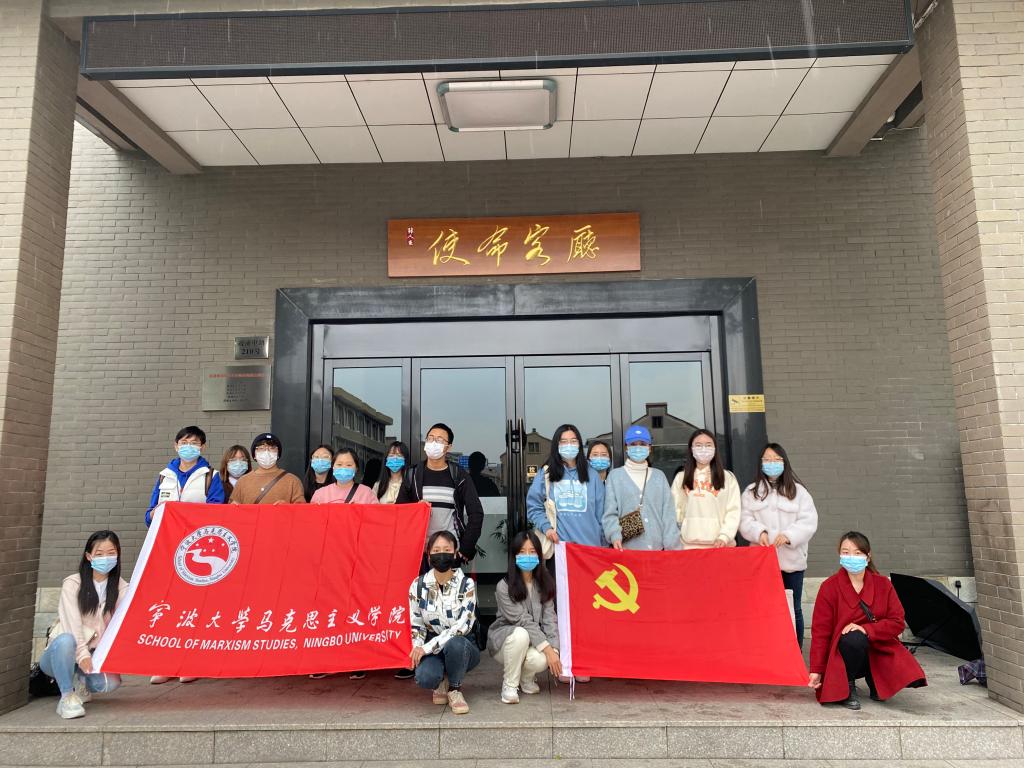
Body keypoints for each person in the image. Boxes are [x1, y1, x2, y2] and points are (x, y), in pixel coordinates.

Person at [809, 532, 926, 710]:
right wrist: (816, 669)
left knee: (859, 635)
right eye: (845, 552)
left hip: (877, 649)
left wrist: (867, 629)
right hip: (845, 652)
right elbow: (820, 632)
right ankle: (848, 685)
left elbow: (897, 622)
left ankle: (875, 679)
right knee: (853, 638)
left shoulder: (883, 584)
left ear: (868, 556)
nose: (851, 557)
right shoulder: (829, 587)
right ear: (839, 555)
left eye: (857, 553)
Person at [739, 442, 819, 647]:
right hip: (763, 563)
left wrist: (789, 535)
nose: (772, 463)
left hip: (792, 563)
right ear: (761, 463)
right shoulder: (751, 492)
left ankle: (796, 652)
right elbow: (744, 520)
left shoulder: (799, 492)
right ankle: (770, 650)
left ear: (784, 462)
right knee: (764, 608)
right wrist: (759, 532)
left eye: (776, 459)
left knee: (794, 609)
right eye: (767, 459)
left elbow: (809, 522)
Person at [40, 530, 127, 718]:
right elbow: (72, 624)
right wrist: (82, 655)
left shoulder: (121, 588)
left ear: (118, 554)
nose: (106, 558)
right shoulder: (73, 584)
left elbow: (125, 623)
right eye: (99, 554)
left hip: (93, 654)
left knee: (111, 683)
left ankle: (79, 681)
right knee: (66, 640)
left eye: (111, 553)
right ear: (89, 556)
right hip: (60, 655)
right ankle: (66, 697)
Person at [408, 531, 479, 715]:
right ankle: (440, 680)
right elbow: (416, 622)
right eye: (436, 550)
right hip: (432, 644)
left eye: (447, 550)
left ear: (455, 554)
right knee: (425, 677)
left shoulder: (466, 584)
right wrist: (417, 648)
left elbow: (462, 626)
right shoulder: (418, 585)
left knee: (456, 643)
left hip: (462, 645)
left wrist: (427, 648)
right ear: (429, 554)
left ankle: (455, 688)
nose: (441, 554)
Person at [396, 423, 484, 569]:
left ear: (448, 447)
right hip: (420, 553)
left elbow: (476, 513)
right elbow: (399, 512)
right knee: (421, 585)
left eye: (439, 440)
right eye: (430, 438)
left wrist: (465, 548)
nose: (433, 443)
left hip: (449, 553)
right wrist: (416, 509)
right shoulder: (412, 474)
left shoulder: (458, 475)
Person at [487, 530, 561, 703]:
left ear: (539, 555)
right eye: (522, 552)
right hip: (506, 642)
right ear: (514, 556)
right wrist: (548, 649)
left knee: (541, 659)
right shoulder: (504, 586)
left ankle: (526, 678)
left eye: (532, 551)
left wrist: (554, 649)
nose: (527, 556)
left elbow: (550, 619)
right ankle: (510, 685)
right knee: (521, 633)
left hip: (532, 642)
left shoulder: (545, 583)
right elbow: (522, 620)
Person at [527, 424, 605, 549]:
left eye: (573, 441)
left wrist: (604, 545)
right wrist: (546, 528)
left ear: (579, 445)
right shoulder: (546, 474)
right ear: (556, 445)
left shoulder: (592, 475)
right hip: (561, 548)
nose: (569, 445)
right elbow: (533, 506)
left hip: (591, 548)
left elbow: (602, 515)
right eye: (564, 442)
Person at [603, 425, 680, 551]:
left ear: (649, 448)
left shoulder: (659, 476)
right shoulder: (615, 476)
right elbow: (610, 513)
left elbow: (668, 514)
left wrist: (671, 546)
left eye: (643, 444)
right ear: (626, 447)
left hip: (657, 550)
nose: (638, 447)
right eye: (633, 444)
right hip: (627, 551)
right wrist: (614, 535)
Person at [670, 429, 741, 549]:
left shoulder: (727, 477)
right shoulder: (681, 477)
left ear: (715, 449)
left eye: (708, 445)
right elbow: (674, 509)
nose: (703, 449)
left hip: (720, 546)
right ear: (691, 449)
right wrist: (679, 532)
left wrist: (724, 536)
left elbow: (733, 511)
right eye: (698, 445)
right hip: (688, 546)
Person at [145, 426, 224, 526]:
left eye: (194, 443)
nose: (188, 446)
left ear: (202, 447)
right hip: (168, 532)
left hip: (195, 533)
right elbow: (149, 516)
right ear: (176, 446)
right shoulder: (165, 475)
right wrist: (152, 515)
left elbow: (216, 512)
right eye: (184, 443)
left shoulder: (211, 476)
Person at [229, 433, 305, 505]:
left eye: (272, 448)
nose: (266, 452)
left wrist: (288, 508)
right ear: (254, 455)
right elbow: (231, 508)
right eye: (261, 448)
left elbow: (302, 510)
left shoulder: (292, 481)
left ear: (278, 454)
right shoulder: (243, 481)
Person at [310, 448, 379, 505]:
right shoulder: (320, 494)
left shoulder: (366, 493)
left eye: (349, 465)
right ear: (333, 467)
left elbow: (375, 515)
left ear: (356, 469)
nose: (343, 468)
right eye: (339, 464)